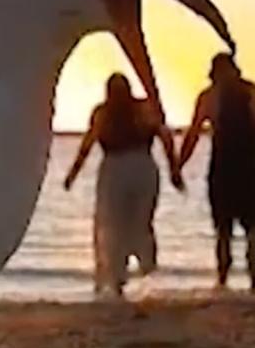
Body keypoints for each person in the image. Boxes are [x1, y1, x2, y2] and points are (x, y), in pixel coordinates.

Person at [63, 73, 183, 296]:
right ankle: (133, 270)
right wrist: (173, 168)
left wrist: (73, 173)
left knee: (114, 223)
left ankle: (122, 275)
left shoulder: (107, 112)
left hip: (119, 167)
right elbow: (165, 136)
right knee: (132, 222)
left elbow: (88, 143)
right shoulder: (139, 110)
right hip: (139, 167)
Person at [179, 53, 255, 292]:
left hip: (226, 166)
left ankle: (227, 281)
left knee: (226, 229)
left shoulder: (209, 97)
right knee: (249, 229)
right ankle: (249, 283)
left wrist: (178, 165)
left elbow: (193, 134)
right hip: (249, 165)